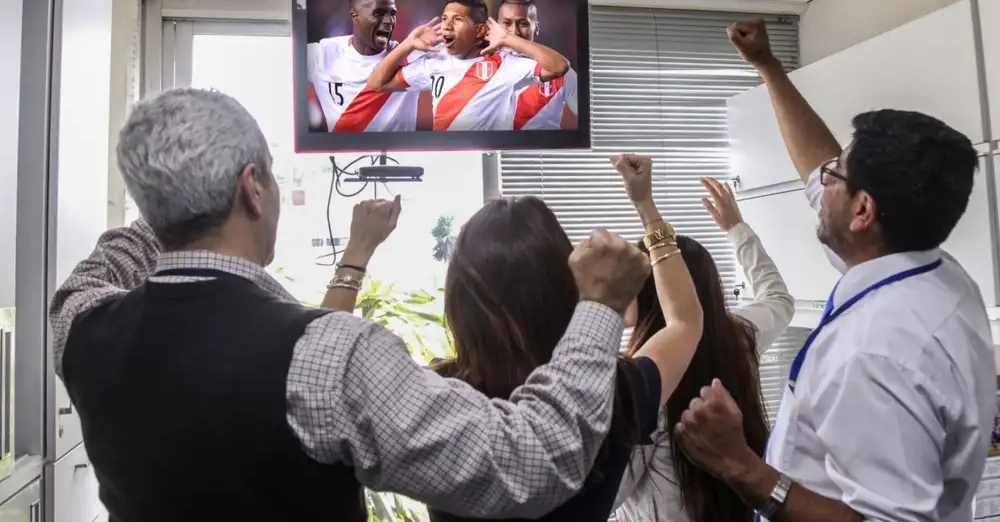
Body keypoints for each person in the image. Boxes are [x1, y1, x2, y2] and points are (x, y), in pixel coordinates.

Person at [49, 87, 655, 520]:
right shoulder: (333, 355)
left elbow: (120, 252)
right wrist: (599, 306)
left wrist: (173, 190)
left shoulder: (79, 324)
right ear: (253, 189)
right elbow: (529, 463)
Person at [673, 20, 995, 522]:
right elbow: (816, 164)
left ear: (862, 211)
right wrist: (768, 68)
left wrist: (741, 467)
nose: (821, 180)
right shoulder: (928, 270)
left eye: (834, 175)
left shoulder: (875, 353)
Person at [426, 154, 704, 522]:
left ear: (458, 302)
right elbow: (685, 320)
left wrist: (355, 260)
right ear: (566, 285)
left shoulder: (434, 399)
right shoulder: (615, 392)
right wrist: (645, 207)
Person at [613, 176, 794, 522]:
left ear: (651, 291)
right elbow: (778, 299)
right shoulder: (741, 334)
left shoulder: (647, 383)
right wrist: (736, 228)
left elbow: (604, 494)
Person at [366, 0, 570, 131]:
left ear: (480, 30)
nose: (446, 25)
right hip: (443, 157)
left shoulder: (505, 64)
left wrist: (508, 39)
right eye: (445, 18)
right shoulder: (433, 61)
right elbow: (377, 83)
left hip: (485, 153)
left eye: (457, 20)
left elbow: (559, 66)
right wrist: (407, 45)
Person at [306, 0, 422, 133]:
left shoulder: (412, 57)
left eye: (392, 14)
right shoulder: (323, 54)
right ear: (355, 16)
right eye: (379, 13)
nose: (389, 21)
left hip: (401, 155)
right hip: (342, 154)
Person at [496, 0, 578, 130]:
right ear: (497, 27)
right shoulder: (478, 68)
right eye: (507, 23)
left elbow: (589, 125)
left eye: (522, 24)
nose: (514, 32)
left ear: (536, 28)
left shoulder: (562, 73)